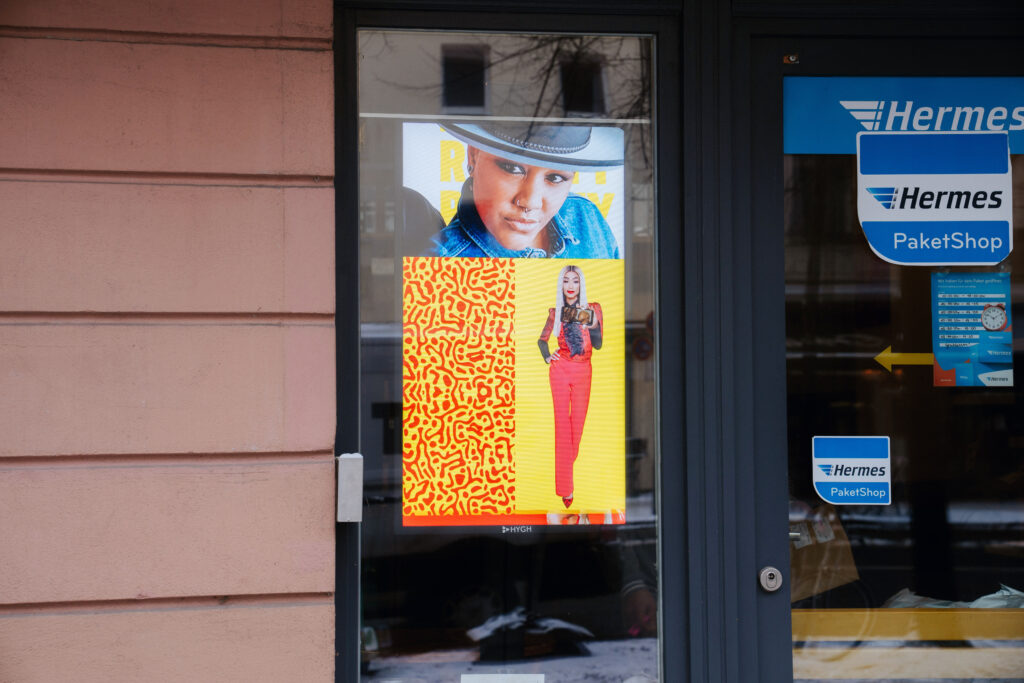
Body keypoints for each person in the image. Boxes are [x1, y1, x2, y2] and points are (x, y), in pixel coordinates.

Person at [424, 122, 622, 259]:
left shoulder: (587, 217)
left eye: (555, 178)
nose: (530, 202)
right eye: (513, 169)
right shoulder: (438, 264)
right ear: (473, 156)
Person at [538, 265, 603, 509]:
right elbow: (542, 340)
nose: (571, 286)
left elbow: (598, 344)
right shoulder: (556, 313)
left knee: (577, 427)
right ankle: (566, 488)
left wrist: (591, 324)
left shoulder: (593, 309)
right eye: (566, 281)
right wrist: (547, 356)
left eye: (575, 280)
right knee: (562, 428)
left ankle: (564, 471)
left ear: (581, 284)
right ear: (561, 285)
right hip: (560, 369)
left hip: (583, 369)